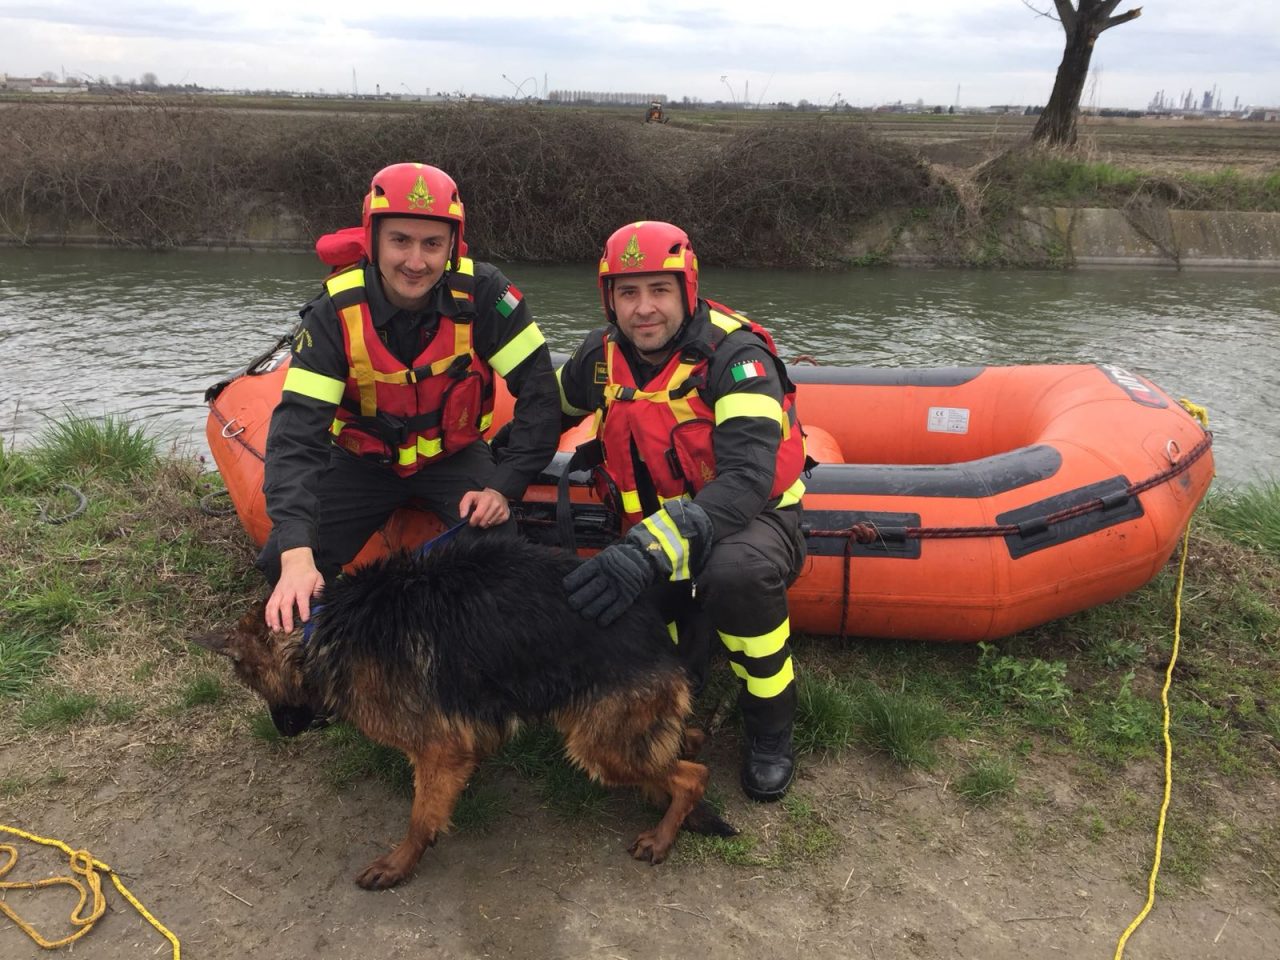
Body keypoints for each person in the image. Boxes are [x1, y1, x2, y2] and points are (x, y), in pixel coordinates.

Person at [557, 220, 808, 802]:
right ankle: (684, 676)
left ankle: (770, 730)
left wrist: (651, 546)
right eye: (627, 293)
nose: (644, 309)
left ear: (686, 289)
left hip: (749, 522)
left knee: (733, 573)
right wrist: (495, 478)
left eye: (659, 290)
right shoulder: (600, 355)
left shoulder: (736, 355)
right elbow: (549, 413)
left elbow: (747, 478)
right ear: (609, 299)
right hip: (651, 527)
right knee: (641, 622)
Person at [258, 162, 561, 633]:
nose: (416, 262)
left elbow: (542, 393)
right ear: (373, 238)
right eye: (400, 240)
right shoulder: (333, 314)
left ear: (452, 246)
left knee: (502, 559)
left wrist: (504, 485)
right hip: (362, 466)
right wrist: (297, 551)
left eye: (432, 244)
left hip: (454, 459)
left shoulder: (485, 296)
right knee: (280, 562)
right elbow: (297, 436)